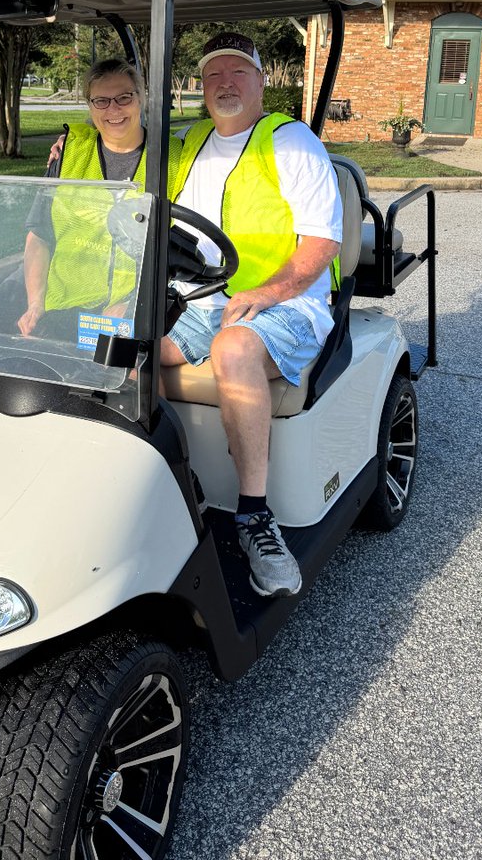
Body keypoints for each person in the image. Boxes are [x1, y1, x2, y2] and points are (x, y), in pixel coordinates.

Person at [163, 31, 342, 598]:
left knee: (233, 347)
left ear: (261, 81)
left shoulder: (291, 143)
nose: (225, 84)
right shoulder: (190, 143)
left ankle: (254, 518)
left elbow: (322, 245)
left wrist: (266, 293)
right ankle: (168, 486)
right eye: (214, 74)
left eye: (238, 72)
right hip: (199, 298)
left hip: (287, 303)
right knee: (120, 347)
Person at [0, 57, 180, 341]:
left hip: (129, 310)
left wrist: (135, 304)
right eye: (101, 101)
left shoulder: (173, 158)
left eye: (123, 97)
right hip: (64, 306)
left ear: (140, 98)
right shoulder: (69, 153)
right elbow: (39, 234)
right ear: (89, 105)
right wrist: (35, 303)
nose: (114, 109)